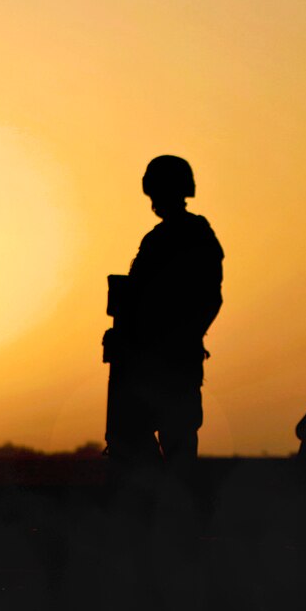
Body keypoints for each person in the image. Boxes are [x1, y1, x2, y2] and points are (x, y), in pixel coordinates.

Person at [103, 155, 224, 471]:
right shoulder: (175, 237)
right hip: (153, 360)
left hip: (163, 362)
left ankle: (166, 509)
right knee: (148, 443)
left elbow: (207, 298)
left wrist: (175, 337)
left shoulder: (184, 237)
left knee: (163, 446)